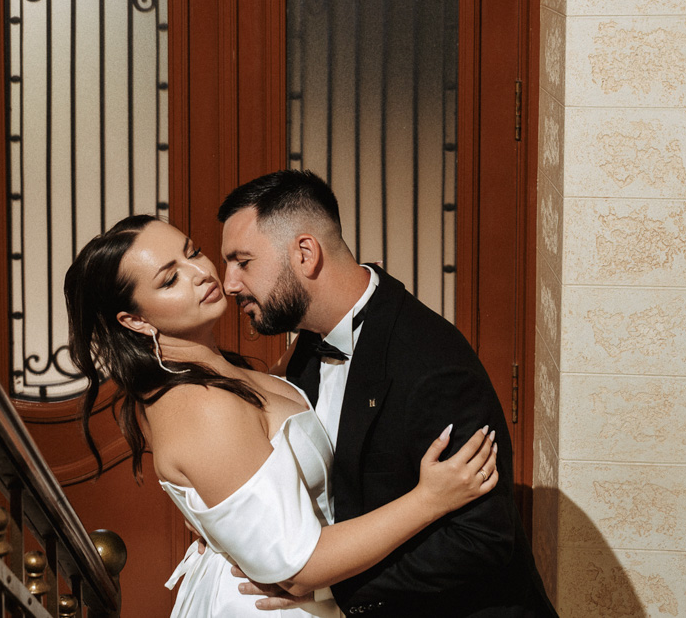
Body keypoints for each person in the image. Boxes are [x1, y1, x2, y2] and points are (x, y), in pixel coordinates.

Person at [64, 214, 501, 618]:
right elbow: (300, 567)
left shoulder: (222, 373)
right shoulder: (201, 405)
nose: (201, 274)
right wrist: (429, 499)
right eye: (170, 279)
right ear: (135, 320)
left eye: (193, 252)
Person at [219, 170, 558, 617]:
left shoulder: (430, 361)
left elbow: (483, 539)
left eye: (243, 262)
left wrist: (328, 584)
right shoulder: (306, 346)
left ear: (305, 253)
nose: (229, 283)